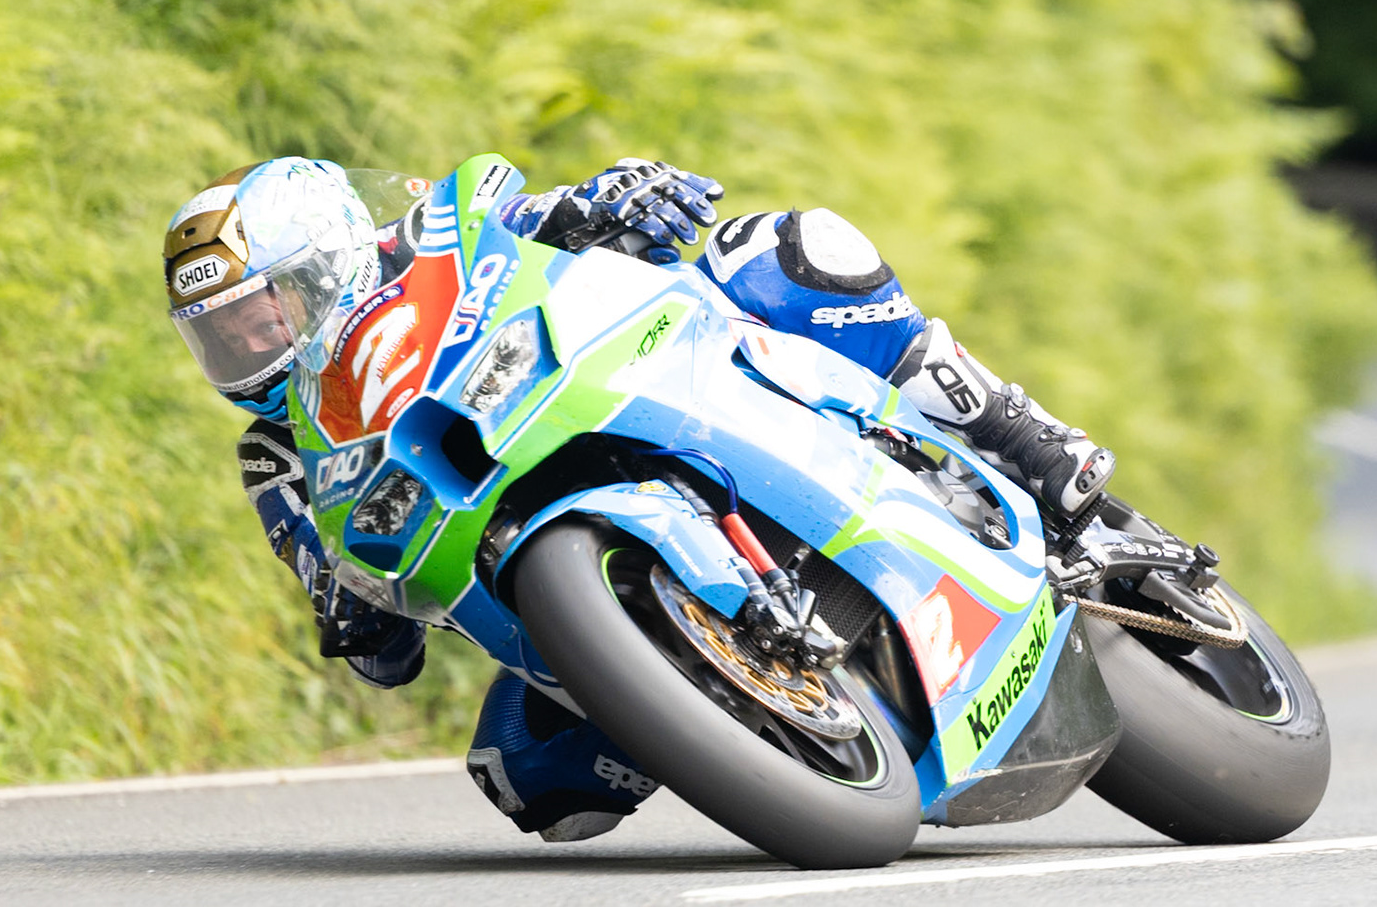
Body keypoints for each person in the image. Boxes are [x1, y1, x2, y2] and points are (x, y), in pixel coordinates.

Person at [164, 156, 1114, 842]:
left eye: (261, 315)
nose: (249, 349)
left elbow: (539, 216)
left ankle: (1022, 436)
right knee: (530, 781)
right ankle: (732, 702)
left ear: (323, 261)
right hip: (511, 564)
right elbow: (361, 622)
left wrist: (617, 195)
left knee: (791, 251)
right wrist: (347, 607)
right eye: (223, 337)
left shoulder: (424, 240)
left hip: (618, 389)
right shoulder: (277, 456)